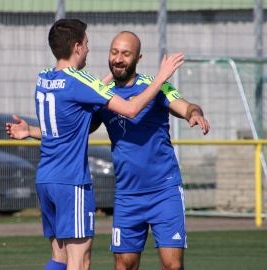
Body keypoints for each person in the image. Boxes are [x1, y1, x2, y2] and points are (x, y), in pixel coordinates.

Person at [5, 19, 184, 270]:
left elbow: (71, 117)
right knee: (79, 262)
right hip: (72, 182)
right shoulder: (79, 80)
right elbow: (130, 109)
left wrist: (31, 131)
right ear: (77, 47)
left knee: (60, 258)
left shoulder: (43, 79)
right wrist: (162, 76)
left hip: (46, 178)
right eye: (87, 44)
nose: (89, 50)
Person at [90, 31, 210, 270]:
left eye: (126, 53)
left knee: (172, 266)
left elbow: (186, 106)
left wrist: (195, 113)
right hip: (127, 195)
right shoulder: (101, 95)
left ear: (138, 57)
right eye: (114, 52)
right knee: (124, 266)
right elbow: (76, 128)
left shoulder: (155, 86)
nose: (119, 58)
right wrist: (32, 130)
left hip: (164, 190)